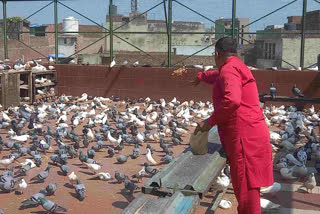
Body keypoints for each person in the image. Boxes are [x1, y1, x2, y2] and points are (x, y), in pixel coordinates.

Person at [193, 37, 273, 214]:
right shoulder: (236, 66)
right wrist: (201, 76)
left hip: (244, 137)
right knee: (249, 188)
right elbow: (218, 75)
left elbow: (233, 100)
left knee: (246, 192)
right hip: (253, 132)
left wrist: (209, 122)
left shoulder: (229, 70)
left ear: (216, 54)